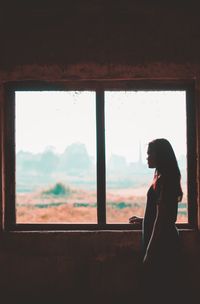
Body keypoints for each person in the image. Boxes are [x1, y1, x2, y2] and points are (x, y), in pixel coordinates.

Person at [129, 138, 183, 304]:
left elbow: (161, 219)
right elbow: (162, 214)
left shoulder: (165, 180)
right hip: (163, 240)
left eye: (149, 154)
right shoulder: (163, 177)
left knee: (158, 291)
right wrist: (145, 219)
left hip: (162, 243)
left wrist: (150, 252)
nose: (147, 158)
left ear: (160, 156)